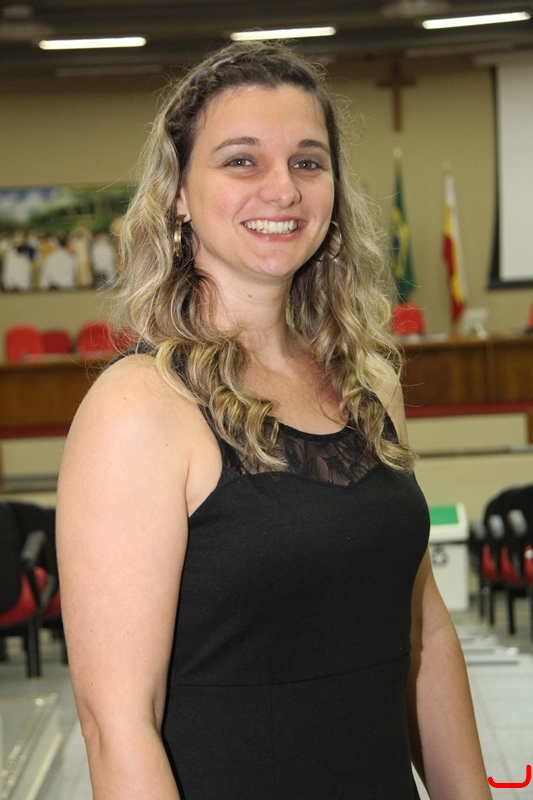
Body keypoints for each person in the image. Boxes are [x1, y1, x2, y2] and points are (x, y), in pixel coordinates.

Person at [56, 41, 492, 800]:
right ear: (178, 194)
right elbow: (116, 723)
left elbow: (423, 632)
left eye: (307, 162)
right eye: (242, 160)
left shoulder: (368, 384)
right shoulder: (138, 409)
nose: (282, 188)